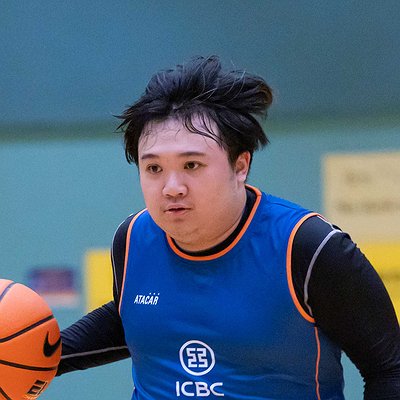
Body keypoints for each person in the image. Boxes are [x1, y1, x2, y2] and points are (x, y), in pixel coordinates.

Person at [56, 55, 400, 399]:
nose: (171, 187)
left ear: (240, 165)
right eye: (154, 169)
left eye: (192, 165)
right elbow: (133, 316)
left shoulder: (308, 247)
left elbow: (389, 369)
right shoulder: (133, 238)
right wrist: (40, 355)